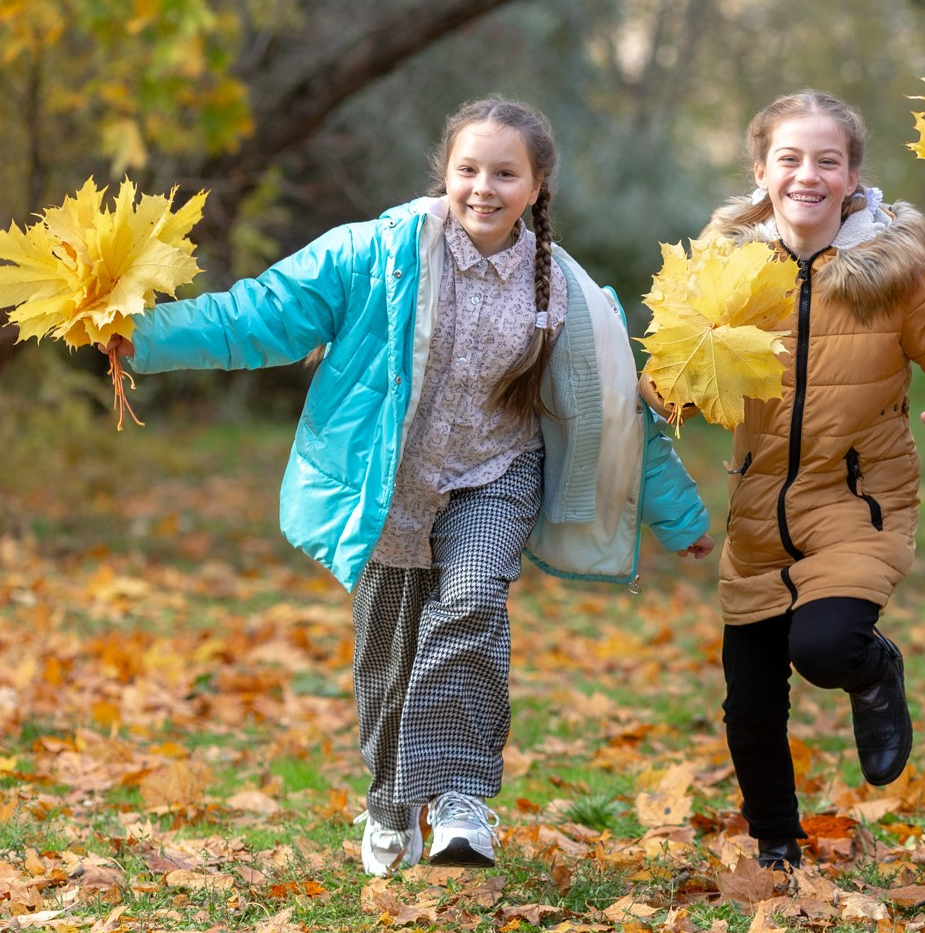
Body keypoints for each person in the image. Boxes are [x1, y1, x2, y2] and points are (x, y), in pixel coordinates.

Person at [106, 96, 713, 877]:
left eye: (505, 173)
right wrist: (145, 338)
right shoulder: (375, 253)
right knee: (387, 663)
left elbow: (620, 411)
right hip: (388, 487)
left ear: (536, 186)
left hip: (495, 477)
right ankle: (391, 801)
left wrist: (679, 515)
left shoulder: (561, 290)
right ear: (445, 173)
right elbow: (263, 312)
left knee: (470, 602)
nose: (483, 188)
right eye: (468, 169)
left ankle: (462, 802)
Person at [664, 89, 925, 872]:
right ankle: (777, 848)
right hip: (757, 515)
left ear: (853, 176)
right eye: (789, 158)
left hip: (859, 501)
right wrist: (667, 381)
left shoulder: (895, 275)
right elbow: (672, 382)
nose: (807, 175)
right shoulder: (725, 276)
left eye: (827, 160)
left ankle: (872, 666)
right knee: (749, 704)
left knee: (825, 647)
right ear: (760, 171)